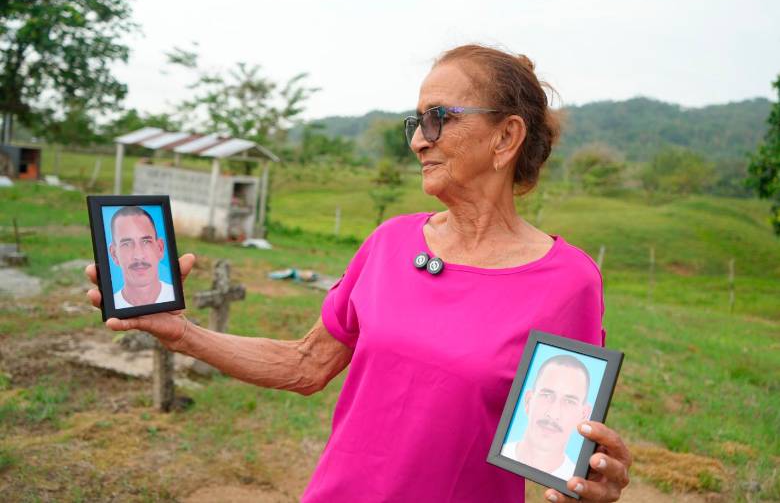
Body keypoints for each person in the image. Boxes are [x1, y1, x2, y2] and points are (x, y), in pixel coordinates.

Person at [86, 44, 631, 502]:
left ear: (506, 137)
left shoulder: (567, 282)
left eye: (439, 118)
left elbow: (560, 455)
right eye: (416, 122)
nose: (418, 140)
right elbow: (306, 364)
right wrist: (181, 333)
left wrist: (589, 486)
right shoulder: (390, 243)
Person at [501, 355, 593, 480]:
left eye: (569, 402)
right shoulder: (494, 455)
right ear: (528, 401)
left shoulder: (578, 482)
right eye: (546, 395)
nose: (553, 414)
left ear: (583, 415)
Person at [108, 206, 174, 308]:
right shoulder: (112, 306)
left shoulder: (173, 295)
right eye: (126, 244)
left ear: (160, 248)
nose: (139, 256)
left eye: (146, 242)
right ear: (114, 254)